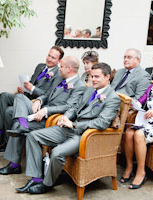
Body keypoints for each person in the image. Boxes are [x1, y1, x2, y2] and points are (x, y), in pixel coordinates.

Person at [17, 63, 121, 194]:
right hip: (68, 127)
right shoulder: (89, 90)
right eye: (91, 76)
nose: (93, 79)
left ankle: (47, 183)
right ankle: (37, 177)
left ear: (107, 77)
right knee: (33, 136)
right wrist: (65, 117)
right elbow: (74, 107)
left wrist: (74, 125)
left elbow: (102, 123)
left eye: (97, 77)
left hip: (84, 135)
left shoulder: (113, 98)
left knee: (57, 153)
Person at [0, 56, 86, 175]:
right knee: (20, 97)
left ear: (69, 69)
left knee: (16, 124)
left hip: (51, 119)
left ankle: (14, 165)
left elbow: (69, 107)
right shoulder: (59, 79)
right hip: (39, 110)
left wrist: (46, 110)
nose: (59, 68)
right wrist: (39, 100)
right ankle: (23, 125)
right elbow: (46, 94)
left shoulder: (79, 87)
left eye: (61, 66)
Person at [0, 46, 64, 152]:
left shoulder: (59, 75)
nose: (49, 59)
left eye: (53, 58)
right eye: (49, 55)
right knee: (4, 95)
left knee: (9, 111)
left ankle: (7, 142)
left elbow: (48, 95)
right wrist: (25, 89)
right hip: (26, 97)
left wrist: (33, 89)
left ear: (59, 61)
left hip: (36, 104)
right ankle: (1, 134)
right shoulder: (40, 66)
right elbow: (31, 82)